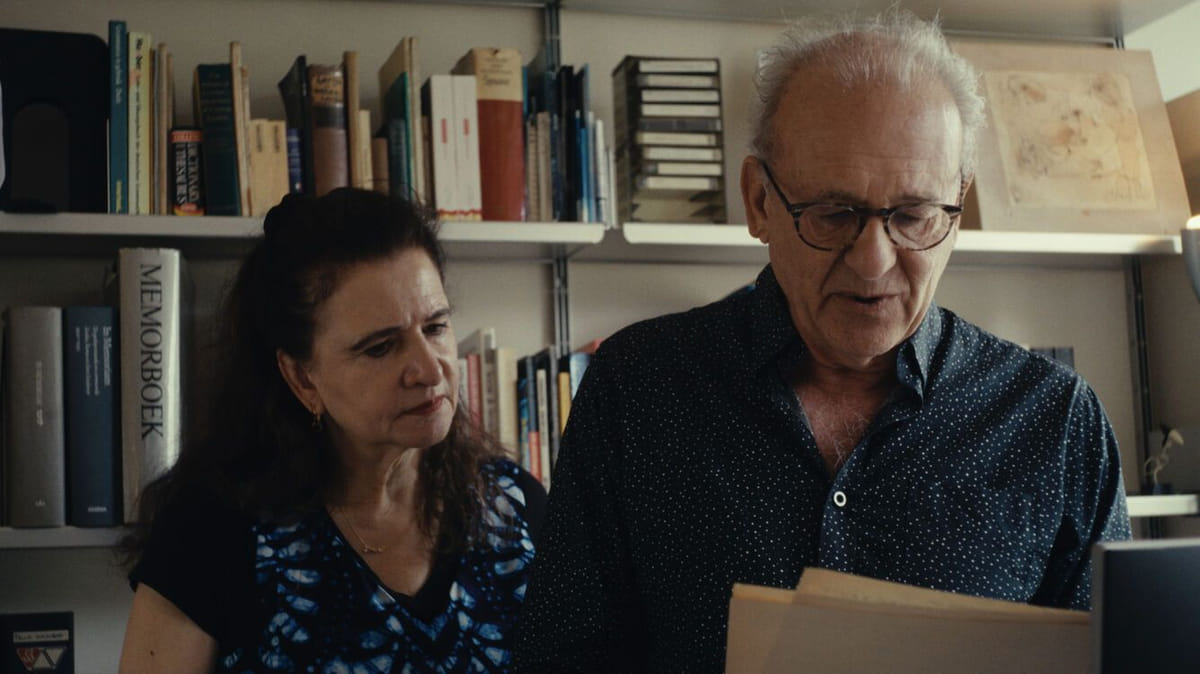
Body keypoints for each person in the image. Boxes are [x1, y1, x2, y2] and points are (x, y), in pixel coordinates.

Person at [514, 9, 1131, 672]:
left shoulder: (1055, 422)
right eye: (834, 214)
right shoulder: (639, 389)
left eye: (913, 215)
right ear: (759, 202)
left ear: (957, 208)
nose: (873, 261)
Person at [118, 188, 545, 672]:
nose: (429, 370)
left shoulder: (517, 508)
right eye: (380, 348)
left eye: (435, 328)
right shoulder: (210, 529)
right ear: (302, 378)